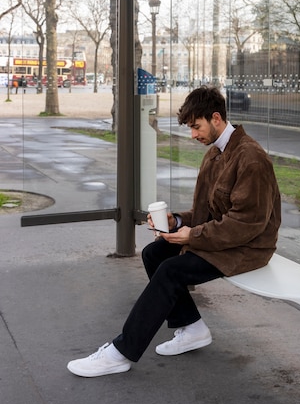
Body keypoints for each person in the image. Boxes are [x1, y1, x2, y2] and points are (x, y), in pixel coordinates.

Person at [67, 85, 281, 377]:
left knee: (171, 270)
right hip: (222, 239)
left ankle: (121, 352)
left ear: (216, 118)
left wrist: (192, 236)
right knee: (155, 254)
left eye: (196, 126)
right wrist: (177, 222)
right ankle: (192, 328)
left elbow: (246, 225)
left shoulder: (250, 158)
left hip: (248, 248)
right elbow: (207, 213)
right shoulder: (216, 153)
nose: (193, 135)